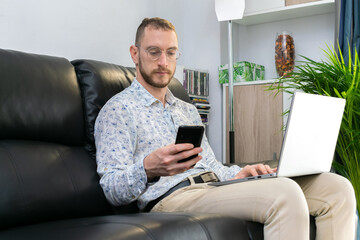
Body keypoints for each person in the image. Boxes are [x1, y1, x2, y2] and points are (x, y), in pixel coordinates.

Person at [94, 17, 356, 240]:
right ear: (135, 53)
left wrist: (239, 173)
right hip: (171, 198)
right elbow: (111, 189)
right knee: (284, 195)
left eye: (171, 52)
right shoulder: (118, 110)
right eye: (154, 52)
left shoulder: (187, 109)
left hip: (212, 187)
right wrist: (147, 169)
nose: (163, 61)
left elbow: (210, 164)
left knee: (337, 189)